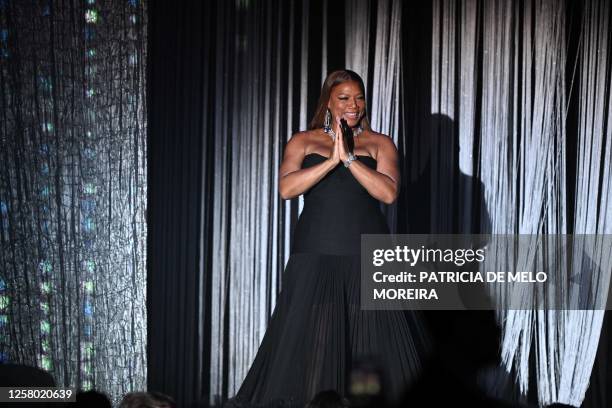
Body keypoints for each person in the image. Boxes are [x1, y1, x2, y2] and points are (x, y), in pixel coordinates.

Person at [226, 70, 427, 407]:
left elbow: (389, 193)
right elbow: (287, 188)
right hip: (316, 251)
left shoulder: (379, 143)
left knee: (368, 346)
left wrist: (348, 158)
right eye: (344, 98)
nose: (354, 105)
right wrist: (331, 159)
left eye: (359, 97)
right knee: (319, 340)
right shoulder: (303, 141)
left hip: (366, 254)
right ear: (329, 103)